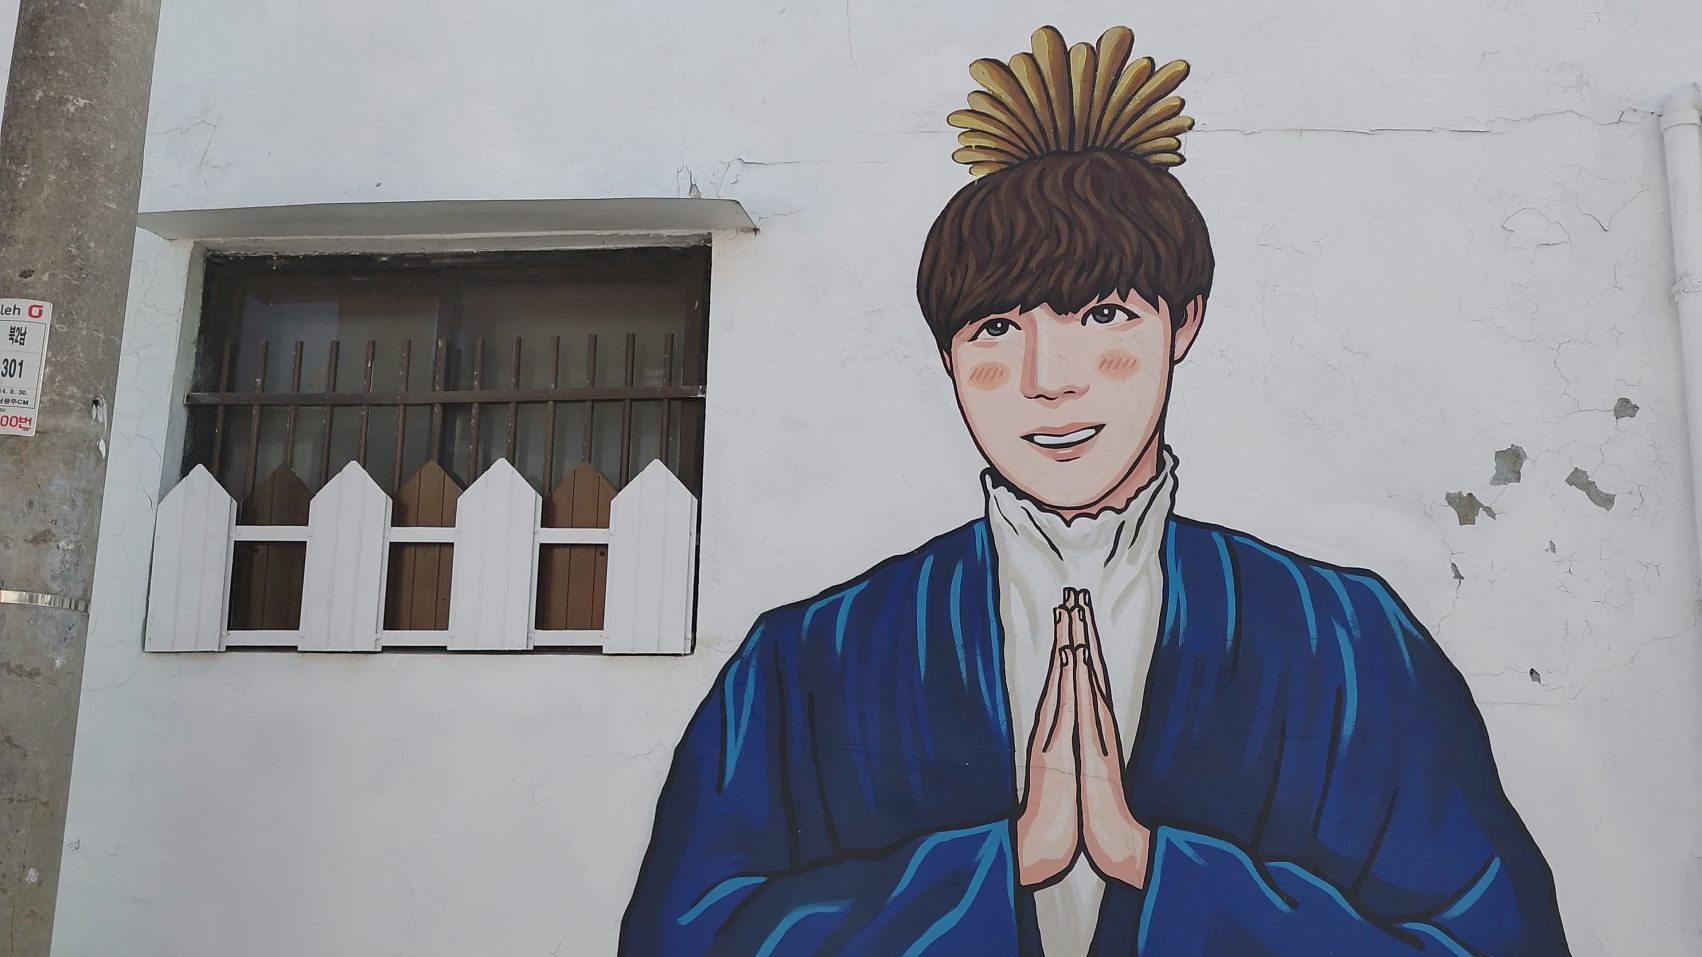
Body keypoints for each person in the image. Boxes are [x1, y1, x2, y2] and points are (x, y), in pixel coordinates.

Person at [620, 25, 1570, 957]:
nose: (1050, 378)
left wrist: (1156, 867)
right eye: (996, 328)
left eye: (1104, 313)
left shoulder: (1346, 641)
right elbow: (683, 937)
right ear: (946, 353)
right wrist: (1004, 863)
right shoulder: (810, 659)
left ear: (1183, 321)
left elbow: (1489, 936)